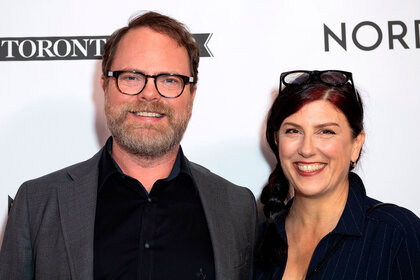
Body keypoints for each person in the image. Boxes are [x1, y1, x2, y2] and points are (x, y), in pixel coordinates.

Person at [0, 11, 257, 280]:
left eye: (170, 80)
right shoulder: (37, 203)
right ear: (105, 85)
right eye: (132, 77)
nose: (149, 93)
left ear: (192, 93)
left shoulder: (237, 207)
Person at [255, 70, 420, 279]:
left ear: (356, 144)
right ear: (277, 141)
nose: (307, 149)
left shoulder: (397, 234)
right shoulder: (256, 240)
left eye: (326, 131)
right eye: (293, 131)